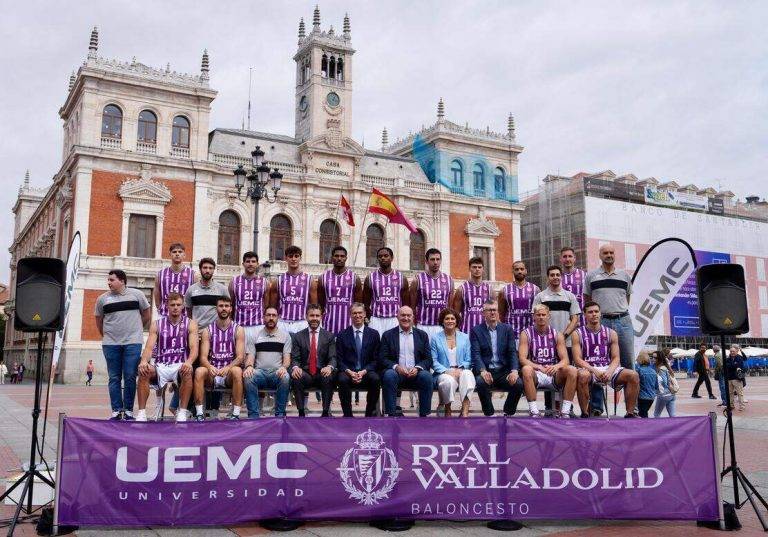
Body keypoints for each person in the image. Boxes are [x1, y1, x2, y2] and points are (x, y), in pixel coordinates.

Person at [94, 269, 151, 420]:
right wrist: (108, 335)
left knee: (130, 376)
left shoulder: (137, 295)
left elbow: (146, 314)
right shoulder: (102, 299)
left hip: (133, 342)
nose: (109, 282)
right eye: (108, 280)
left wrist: (136, 329)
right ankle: (116, 410)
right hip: (111, 344)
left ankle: (129, 411)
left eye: (112, 280)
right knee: (114, 377)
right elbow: (99, 321)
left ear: (122, 281)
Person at [135, 293, 198, 422]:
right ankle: (141, 413)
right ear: (167, 306)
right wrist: (143, 361)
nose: (175, 307)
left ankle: (182, 411)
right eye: (172, 305)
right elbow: (148, 347)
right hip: (161, 365)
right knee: (143, 371)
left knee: (188, 372)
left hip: (180, 364)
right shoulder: (157, 324)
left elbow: (194, 348)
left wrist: (189, 362)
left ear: (183, 306)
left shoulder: (190, 323)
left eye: (178, 305)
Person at [572, 301, 639, 418]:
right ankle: (585, 413)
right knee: (583, 376)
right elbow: (577, 359)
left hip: (607, 368)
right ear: (584, 315)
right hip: (588, 368)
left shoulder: (611, 333)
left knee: (633, 375)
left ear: (600, 314)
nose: (594, 314)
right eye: (590, 312)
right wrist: (594, 370)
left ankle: (630, 413)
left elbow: (616, 357)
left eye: (596, 311)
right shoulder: (577, 333)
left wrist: (609, 371)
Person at [518, 304, 578, 418]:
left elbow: (565, 360)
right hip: (536, 373)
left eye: (543, 315)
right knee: (526, 369)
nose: (541, 317)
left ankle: (565, 411)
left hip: (553, 373)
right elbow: (522, 359)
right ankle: (534, 410)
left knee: (572, 370)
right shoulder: (526, 333)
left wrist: (556, 367)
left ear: (548, 316)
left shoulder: (557, 334)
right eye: (538, 315)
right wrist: (538, 367)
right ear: (533, 317)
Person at [194, 297, 245, 420]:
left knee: (237, 371)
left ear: (231, 309)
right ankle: (199, 413)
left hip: (229, 374)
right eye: (221, 306)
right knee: (199, 371)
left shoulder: (238, 329)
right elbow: (203, 357)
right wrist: (209, 366)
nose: (224, 308)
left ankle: (236, 413)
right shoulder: (208, 330)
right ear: (216, 308)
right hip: (213, 372)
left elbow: (240, 357)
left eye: (226, 306)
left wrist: (228, 367)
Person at [584, 244, 634, 369]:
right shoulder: (591, 276)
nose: (609, 255)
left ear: (614, 255)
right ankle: (600, 388)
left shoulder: (625, 276)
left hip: (623, 321)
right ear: (600, 255)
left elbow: (627, 298)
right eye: (605, 253)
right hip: (601, 321)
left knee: (627, 359)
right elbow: (588, 300)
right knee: (599, 358)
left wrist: (617, 309)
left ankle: (627, 388)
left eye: (611, 252)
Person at [471, 299, 524, 417]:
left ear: (498, 312)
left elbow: (512, 352)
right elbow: (476, 353)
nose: (492, 313)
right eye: (489, 310)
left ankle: (508, 412)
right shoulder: (476, 330)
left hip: (503, 372)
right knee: (480, 382)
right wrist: (483, 371)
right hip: (487, 370)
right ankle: (489, 414)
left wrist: (515, 370)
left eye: (494, 310)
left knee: (519, 384)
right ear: (483, 313)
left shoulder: (507, 329)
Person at [380, 306, 433, 417]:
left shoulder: (422, 335)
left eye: (409, 315)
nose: (406, 318)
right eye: (403, 315)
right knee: (389, 375)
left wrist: (418, 368)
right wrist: (396, 367)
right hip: (397, 374)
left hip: (416, 374)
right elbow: (383, 358)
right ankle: (391, 414)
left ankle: (424, 415)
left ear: (413, 317)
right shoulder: (387, 335)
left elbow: (428, 359)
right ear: (397, 317)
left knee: (427, 376)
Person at [243, 307, 292, 418]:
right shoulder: (255, 335)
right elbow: (250, 356)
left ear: (278, 318)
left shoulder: (285, 336)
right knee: (248, 376)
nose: (271, 318)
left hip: (277, 373)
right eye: (268, 315)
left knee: (285, 377)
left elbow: (287, 358)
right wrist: (249, 366)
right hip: (260, 373)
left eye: (274, 315)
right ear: (263, 317)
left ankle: (279, 414)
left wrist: (284, 367)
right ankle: (253, 416)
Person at [289, 304, 337, 417]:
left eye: (317, 315)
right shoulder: (298, 336)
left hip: (322, 372)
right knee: (297, 376)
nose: (314, 318)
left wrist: (329, 367)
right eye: (311, 315)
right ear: (306, 317)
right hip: (305, 372)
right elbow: (295, 358)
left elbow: (333, 357)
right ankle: (301, 412)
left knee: (328, 376)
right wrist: (295, 368)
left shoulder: (329, 336)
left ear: (321, 317)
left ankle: (325, 412)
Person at [336, 303, 381, 417]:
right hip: (348, 372)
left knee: (375, 379)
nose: (357, 315)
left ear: (365, 314)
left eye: (360, 313)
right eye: (354, 313)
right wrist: (349, 372)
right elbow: (339, 359)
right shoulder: (342, 335)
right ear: (350, 315)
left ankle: (369, 413)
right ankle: (348, 415)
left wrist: (364, 371)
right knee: (341, 379)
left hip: (366, 371)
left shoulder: (374, 334)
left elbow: (376, 359)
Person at [432, 308, 475, 417]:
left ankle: (465, 411)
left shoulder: (464, 337)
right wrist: (447, 371)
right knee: (447, 381)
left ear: (456, 321)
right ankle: (448, 409)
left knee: (468, 374)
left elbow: (469, 359)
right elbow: (433, 360)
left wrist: (460, 369)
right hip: (443, 372)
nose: (450, 321)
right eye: (447, 319)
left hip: (460, 370)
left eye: (452, 318)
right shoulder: (435, 338)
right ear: (443, 321)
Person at [268, 246, 317, 334]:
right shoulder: (278, 281)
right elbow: (273, 306)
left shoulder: (310, 280)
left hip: (302, 322)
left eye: (296, 256)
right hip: (283, 322)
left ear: (300, 258)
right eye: (290, 256)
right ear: (286, 258)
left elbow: (314, 306)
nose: (293, 259)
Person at [363, 247, 408, 336]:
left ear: (392, 258)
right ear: (377, 259)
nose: (383, 258)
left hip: (395, 318)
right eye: (380, 256)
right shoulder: (370, 278)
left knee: (394, 348)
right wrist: (368, 319)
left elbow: (406, 303)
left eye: (386, 256)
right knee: (376, 347)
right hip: (376, 319)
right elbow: (366, 303)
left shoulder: (401, 278)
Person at [318, 246, 362, 335]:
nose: (339, 258)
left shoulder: (354, 278)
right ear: (332, 257)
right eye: (336, 256)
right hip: (328, 326)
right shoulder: (323, 278)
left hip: (349, 326)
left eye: (342, 256)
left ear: (346, 258)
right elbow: (321, 304)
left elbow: (358, 304)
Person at [411, 248, 454, 339]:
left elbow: (450, 307)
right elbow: (412, 307)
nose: (435, 262)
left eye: (438, 259)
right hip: (423, 325)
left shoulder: (449, 280)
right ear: (426, 261)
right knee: (423, 353)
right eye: (432, 259)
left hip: (441, 326)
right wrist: (414, 325)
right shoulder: (418, 280)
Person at [498, 261, 540, 341]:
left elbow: (538, 312)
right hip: (511, 335)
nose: (519, 271)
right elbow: (501, 314)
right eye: (517, 269)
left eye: (522, 269)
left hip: (531, 334)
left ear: (526, 271)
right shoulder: (504, 290)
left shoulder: (535, 289)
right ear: (513, 271)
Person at [230, 251, 267, 341]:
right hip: (239, 325)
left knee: (258, 355)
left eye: (253, 261)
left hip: (258, 326)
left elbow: (266, 305)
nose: (250, 264)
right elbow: (231, 304)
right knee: (239, 354)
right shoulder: (234, 281)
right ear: (243, 264)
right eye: (248, 261)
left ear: (258, 264)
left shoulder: (264, 282)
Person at [184, 258, 229, 331]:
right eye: (205, 268)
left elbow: (228, 310)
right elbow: (189, 312)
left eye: (210, 268)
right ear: (200, 269)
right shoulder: (191, 290)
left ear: (214, 270)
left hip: (216, 333)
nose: (207, 271)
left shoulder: (222, 289)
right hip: (197, 332)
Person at [451, 256, 492, 334]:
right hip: (466, 332)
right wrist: (456, 329)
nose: (477, 269)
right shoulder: (461, 289)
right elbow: (455, 313)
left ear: (483, 269)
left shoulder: (490, 289)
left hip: (485, 333)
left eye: (479, 267)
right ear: (469, 268)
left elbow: (495, 313)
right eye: (474, 267)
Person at [154, 243, 196, 317]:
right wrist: (160, 308)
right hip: (165, 315)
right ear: (170, 254)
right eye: (174, 252)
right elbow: (157, 295)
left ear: (184, 255)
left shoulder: (193, 274)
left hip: (185, 316)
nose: (177, 254)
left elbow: (194, 296)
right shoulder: (160, 274)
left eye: (180, 252)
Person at [559, 247, 586, 326]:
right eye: (564, 256)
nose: (567, 259)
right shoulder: (556, 276)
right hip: (563, 320)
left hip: (582, 320)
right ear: (560, 259)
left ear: (574, 258)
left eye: (570, 256)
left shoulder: (584, 275)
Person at [654, 350, 676, 417]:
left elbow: (664, 381)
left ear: (659, 359)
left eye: (655, 358)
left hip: (664, 394)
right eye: (652, 357)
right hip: (672, 394)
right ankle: (676, 427)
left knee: (656, 414)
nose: (653, 359)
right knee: (672, 415)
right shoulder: (666, 367)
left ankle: (658, 427)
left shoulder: (661, 368)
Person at [725, 345, 747, 411]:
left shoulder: (739, 358)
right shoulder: (728, 358)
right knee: (730, 393)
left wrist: (731, 365)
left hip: (737, 378)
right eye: (731, 351)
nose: (732, 352)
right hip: (729, 378)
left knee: (739, 393)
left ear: (737, 351)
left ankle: (742, 406)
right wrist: (734, 365)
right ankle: (731, 406)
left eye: (733, 351)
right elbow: (726, 366)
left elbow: (739, 366)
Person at [635, 352, 657, 418]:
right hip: (651, 397)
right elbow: (656, 386)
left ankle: (646, 427)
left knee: (643, 414)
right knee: (644, 413)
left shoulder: (639, 371)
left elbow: (636, 384)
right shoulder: (653, 371)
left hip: (642, 396)